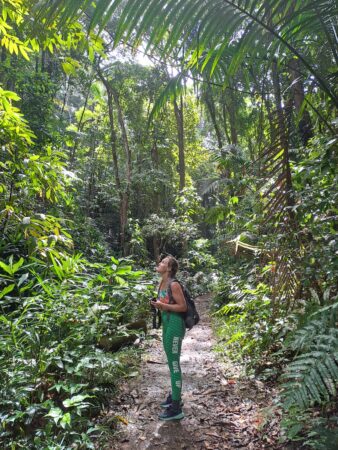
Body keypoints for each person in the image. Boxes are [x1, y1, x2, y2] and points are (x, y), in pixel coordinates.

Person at [151, 254, 187, 421]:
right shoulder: (162, 283)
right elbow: (164, 304)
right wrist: (157, 305)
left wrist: (162, 305)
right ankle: (174, 394)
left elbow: (182, 307)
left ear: (170, 268)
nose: (160, 263)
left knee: (174, 363)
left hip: (175, 324)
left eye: (164, 262)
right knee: (170, 362)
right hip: (166, 323)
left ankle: (176, 406)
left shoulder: (174, 285)